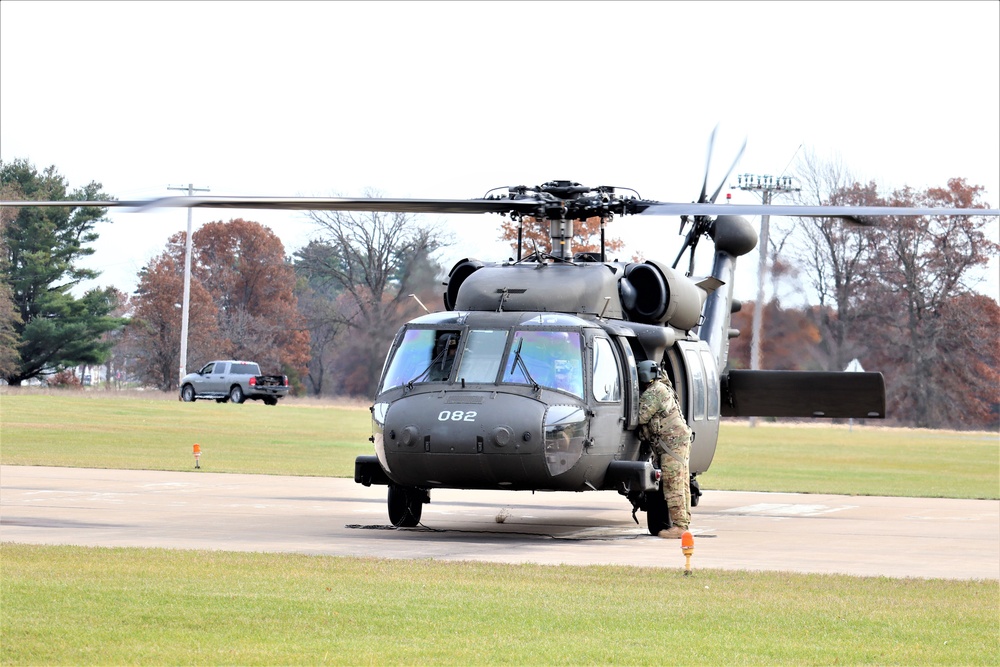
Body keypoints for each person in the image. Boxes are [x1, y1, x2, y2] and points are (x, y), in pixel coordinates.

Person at [636, 359, 692, 539]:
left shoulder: (653, 392)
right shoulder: (663, 387)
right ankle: (683, 524)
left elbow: (639, 417)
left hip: (671, 444)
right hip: (676, 443)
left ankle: (679, 527)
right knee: (681, 483)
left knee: (673, 484)